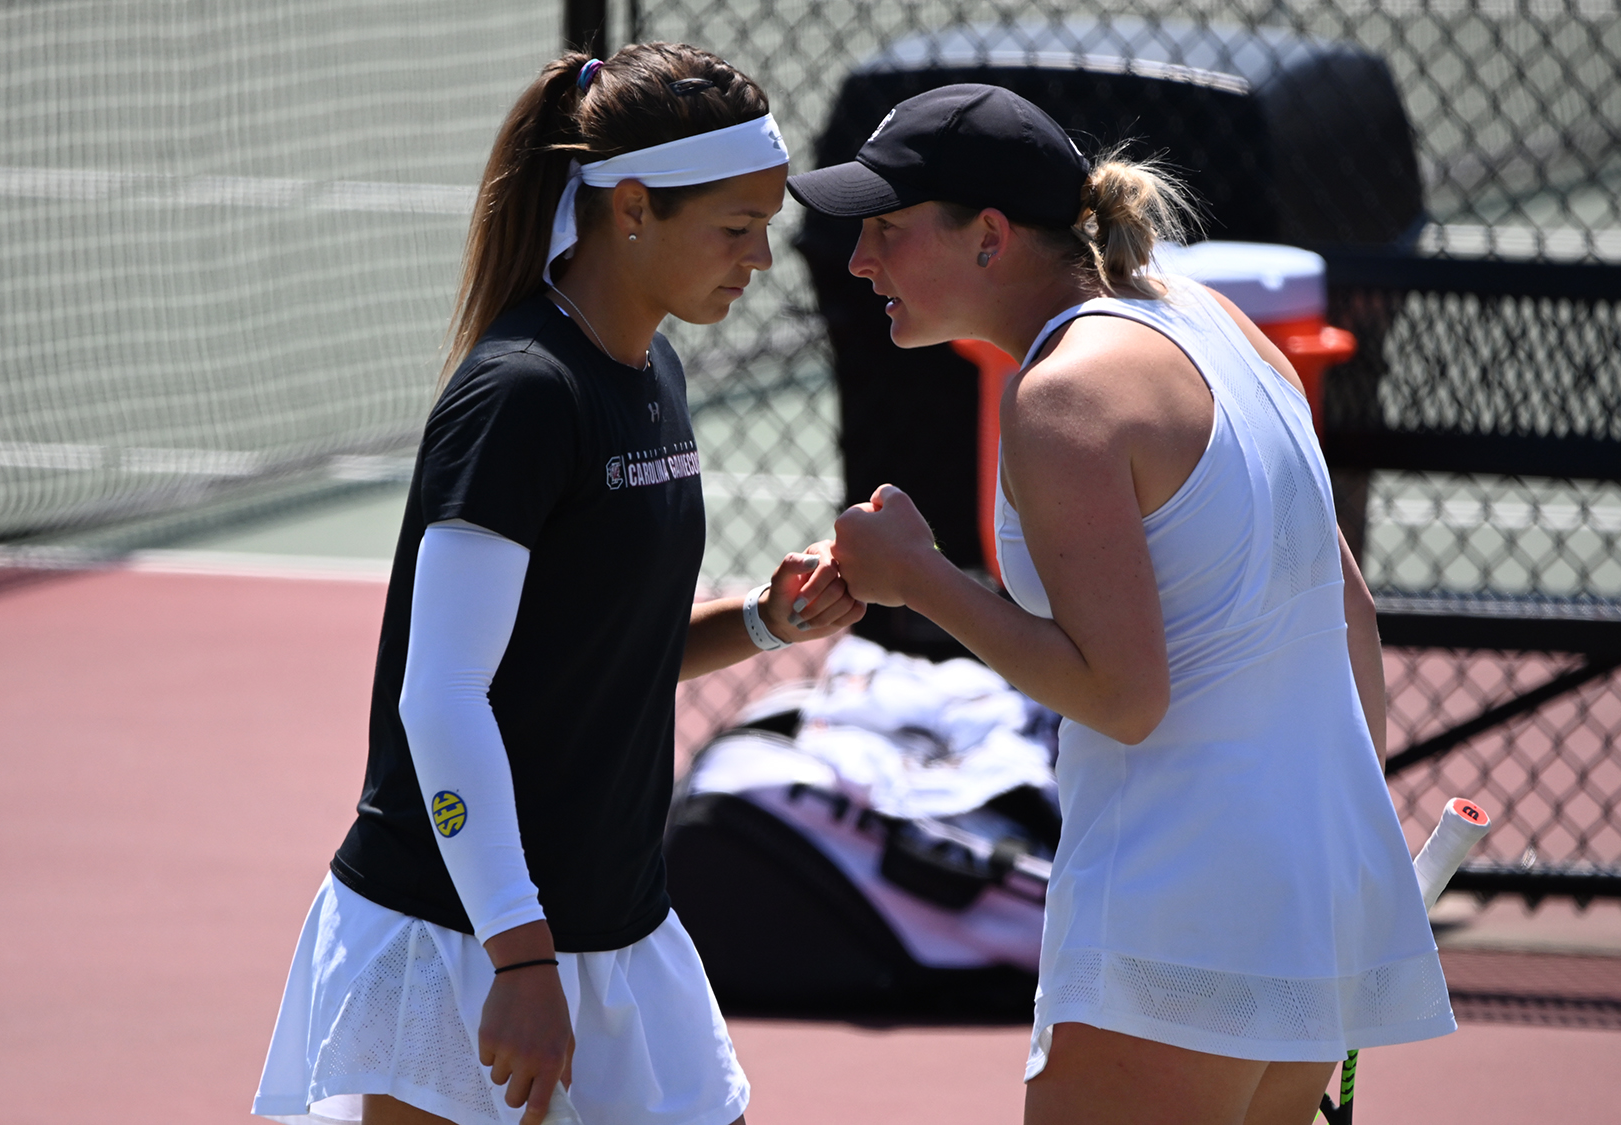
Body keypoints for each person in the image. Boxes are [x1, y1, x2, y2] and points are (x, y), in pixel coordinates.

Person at [796, 85, 1455, 1125]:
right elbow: (1351, 614)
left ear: (989, 237)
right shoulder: (1217, 323)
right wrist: (1345, 858)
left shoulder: (1063, 396)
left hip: (1174, 920)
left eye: (885, 228)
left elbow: (1122, 695)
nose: (858, 260)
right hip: (1318, 904)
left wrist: (916, 577)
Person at [252, 43, 863, 1125]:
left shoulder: (652, 372)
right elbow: (440, 696)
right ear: (630, 210)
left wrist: (768, 623)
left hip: (610, 924)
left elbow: (600, 649)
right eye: (734, 227)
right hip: (462, 939)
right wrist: (520, 959)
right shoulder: (522, 396)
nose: (760, 257)